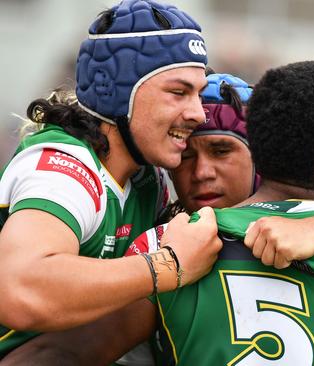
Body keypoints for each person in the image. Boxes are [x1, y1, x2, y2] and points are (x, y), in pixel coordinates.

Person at [0, 70, 314, 365]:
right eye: (185, 157)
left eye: (222, 150)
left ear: (260, 157)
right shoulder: (170, 244)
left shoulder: (163, 245)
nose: (202, 173)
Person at [0, 0, 222, 357]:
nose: (197, 113)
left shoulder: (146, 177)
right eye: (178, 92)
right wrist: (169, 265)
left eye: (198, 93)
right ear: (117, 94)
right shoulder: (65, 166)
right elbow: (20, 289)